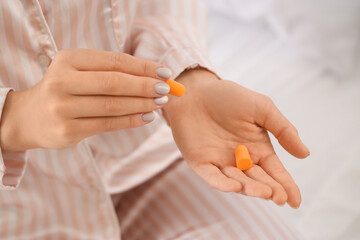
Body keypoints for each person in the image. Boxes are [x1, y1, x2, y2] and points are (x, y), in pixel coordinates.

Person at [0, 0, 309, 239]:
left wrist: (188, 78)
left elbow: (160, 7)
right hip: (18, 211)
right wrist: (12, 118)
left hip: (144, 155)